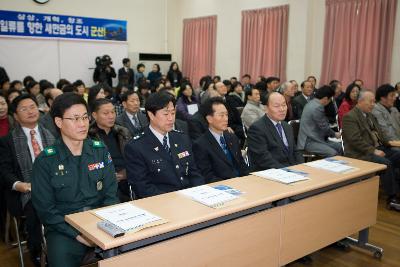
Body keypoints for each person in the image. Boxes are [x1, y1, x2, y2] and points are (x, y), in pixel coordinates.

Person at [31, 93, 119, 267]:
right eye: (75, 119)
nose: (82, 124)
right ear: (58, 122)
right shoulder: (46, 160)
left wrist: (102, 225)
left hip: (101, 222)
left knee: (133, 255)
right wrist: (78, 234)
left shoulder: (99, 150)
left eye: (85, 117)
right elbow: (46, 210)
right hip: (64, 229)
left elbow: (111, 193)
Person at [0, 94, 55, 266]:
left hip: (55, 186)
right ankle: (38, 252)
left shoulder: (52, 134)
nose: (30, 111)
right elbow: (4, 171)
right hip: (26, 191)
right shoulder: (7, 141)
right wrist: (19, 185)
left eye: (32, 106)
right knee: (36, 208)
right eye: (24, 109)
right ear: (15, 116)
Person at [124, 92, 204, 198]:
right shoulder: (136, 147)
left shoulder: (181, 138)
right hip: (161, 203)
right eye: (166, 114)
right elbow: (142, 187)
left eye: (173, 113)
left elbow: (194, 173)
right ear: (151, 115)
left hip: (191, 198)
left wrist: (199, 194)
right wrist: (176, 200)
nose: (171, 118)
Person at [342, 90, 400, 211]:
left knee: (398, 155)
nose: (373, 104)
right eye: (371, 101)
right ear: (361, 101)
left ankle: (396, 189)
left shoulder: (370, 116)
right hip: (360, 153)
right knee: (385, 163)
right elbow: (355, 140)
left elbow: (380, 135)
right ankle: (392, 199)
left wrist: (390, 144)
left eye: (374, 101)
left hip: (379, 148)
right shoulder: (350, 117)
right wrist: (373, 150)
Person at [193, 97, 249, 183]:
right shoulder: (201, 145)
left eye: (226, 115)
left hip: (242, 183)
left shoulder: (232, 137)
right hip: (223, 188)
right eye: (221, 115)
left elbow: (241, 164)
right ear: (209, 119)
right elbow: (208, 176)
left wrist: (248, 180)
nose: (226, 119)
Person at [89, 98, 132, 202]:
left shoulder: (123, 132)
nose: (111, 116)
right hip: (102, 186)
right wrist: (108, 176)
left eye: (113, 112)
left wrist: (127, 173)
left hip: (128, 180)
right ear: (95, 115)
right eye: (106, 113)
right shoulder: (89, 136)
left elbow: (134, 157)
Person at [248, 92, 303, 170]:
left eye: (284, 105)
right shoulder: (257, 129)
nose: (282, 109)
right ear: (266, 108)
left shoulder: (287, 126)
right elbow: (263, 159)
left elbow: (295, 151)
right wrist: (288, 171)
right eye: (277, 106)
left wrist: (301, 167)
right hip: (271, 172)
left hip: (291, 170)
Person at [297, 85, 342, 157]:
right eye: (330, 99)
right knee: (333, 153)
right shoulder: (317, 107)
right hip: (310, 141)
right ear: (325, 98)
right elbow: (324, 127)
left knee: (339, 147)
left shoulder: (311, 103)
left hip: (316, 138)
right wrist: (335, 134)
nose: (330, 101)